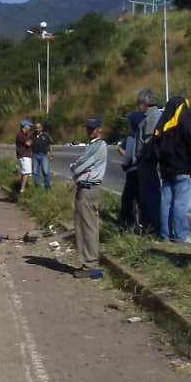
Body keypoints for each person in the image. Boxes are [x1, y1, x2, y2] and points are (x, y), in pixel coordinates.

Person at [154, 96, 191, 243]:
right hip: (183, 168)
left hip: (166, 169)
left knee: (166, 202)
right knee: (181, 204)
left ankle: (165, 234)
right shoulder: (185, 121)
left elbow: (155, 145)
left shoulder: (163, 124)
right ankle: (181, 235)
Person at [70, 117, 107, 279]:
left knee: (88, 227)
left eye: (93, 128)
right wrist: (78, 168)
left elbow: (80, 165)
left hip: (89, 188)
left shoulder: (99, 145)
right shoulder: (92, 145)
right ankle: (87, 262)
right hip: (84, 187)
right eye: (88, 128)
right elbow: (80, 166)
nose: (90, 131)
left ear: (100, 129)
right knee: (82, 227)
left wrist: (77, 168)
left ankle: (90, 264)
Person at [134, 89, 162, 234]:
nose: (137, 106)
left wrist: (143, 156)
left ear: (145, 102)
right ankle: (149, 224)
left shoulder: (153, 117)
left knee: (151, 195)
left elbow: (150, 142)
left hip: (148, 162)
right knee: (146, 195)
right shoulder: (148, 116)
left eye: (139, 103)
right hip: (145, 162)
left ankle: (154, 225)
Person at [118, 111, 145, 231]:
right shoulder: (146, 132)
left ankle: (128, 223)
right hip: (145, 170)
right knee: (142, 199)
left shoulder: (133, 136)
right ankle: (143, 223)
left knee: (128, 198)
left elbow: (127, 155)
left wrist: (124, 165)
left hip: (133, 171)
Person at [31, 122, 54, 190]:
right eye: (36, 128)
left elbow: (50, 145)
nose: (37, 129)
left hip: (43, 155)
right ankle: (37, 187)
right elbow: (29, 144)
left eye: (39, 128)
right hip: (35, 155)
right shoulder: (32, 135)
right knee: (35, 172)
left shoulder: (46, 135)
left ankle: (48, 187)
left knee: (46, 171)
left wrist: (51, 154)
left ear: (42, 128)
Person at [15, 120, 34, 193]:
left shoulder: (26, 135)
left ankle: (22, 187)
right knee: (26, 172)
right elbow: (28, 143)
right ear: (24, 126)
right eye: (28, 126)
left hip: (27, 155)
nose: (30, 127)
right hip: (23, 155)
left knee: (27, 173)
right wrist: (33, 138)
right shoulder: (20, 135)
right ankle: (22, 189)